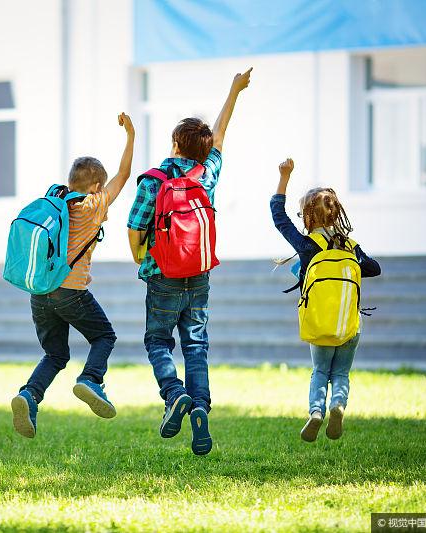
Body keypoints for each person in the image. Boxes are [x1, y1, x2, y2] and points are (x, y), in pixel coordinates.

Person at [126, 68, 252, 455]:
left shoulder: (154, 179)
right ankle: (199, 408)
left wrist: (140, 259)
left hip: (161, 273)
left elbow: (135, 227)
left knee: (157, 340)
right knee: (196, 345)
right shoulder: (207, 174)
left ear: (174, 144)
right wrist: (234, 90)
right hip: (198, 274)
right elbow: (222, 131)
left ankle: (174, 393)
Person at [11, 113, 135, 439]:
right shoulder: (93, 205)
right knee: (104, 337)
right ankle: (91, 379)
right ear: (95, 186)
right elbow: (124, 174)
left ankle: (29, 395)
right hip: (71, 291)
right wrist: (131, 135)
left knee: (55, 353)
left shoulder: (57, 200)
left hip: (40, 291)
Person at [271, 158, 381, 441]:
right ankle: (338, 405)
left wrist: (284, 176)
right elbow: (374, 268)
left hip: (319, 324)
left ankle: (316, 411)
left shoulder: (308, 246)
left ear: (308, 218)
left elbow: (278, 216)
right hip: (349, 325)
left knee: (320, 370)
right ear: (336, 215)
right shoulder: (350, 246)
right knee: (341, 373)